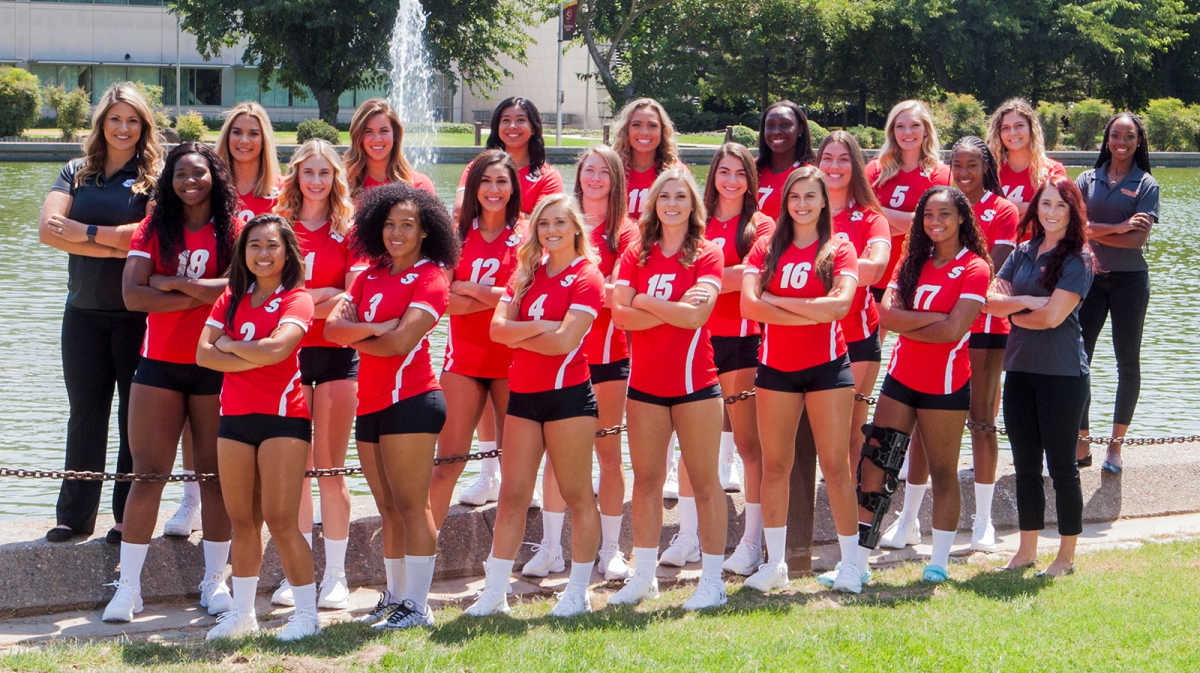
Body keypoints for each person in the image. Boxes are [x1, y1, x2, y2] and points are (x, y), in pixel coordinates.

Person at [101, 143, 238, 623]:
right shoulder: (153, 226)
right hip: (158, 365)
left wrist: (173, 283)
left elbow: (241, 289)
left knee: (214, 477)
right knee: (148, 475)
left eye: (199, 173)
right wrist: (202, 296)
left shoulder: (233, 228)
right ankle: (130, 588)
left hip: (213, 364)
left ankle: (214, 582)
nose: (190, 181)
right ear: (170, 180)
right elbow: (133, 297)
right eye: (181, 174)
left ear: (214, 177)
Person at [324, 183, 459, 629]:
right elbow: (331, 330)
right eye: (389, 224)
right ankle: (395, 598)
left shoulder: (431, 277)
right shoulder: (367, 275)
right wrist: (379, 326)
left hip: (413, 400)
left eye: (407, 225)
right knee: (387, 509)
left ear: (425, 232)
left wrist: (366, 327)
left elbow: (401, 343)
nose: (396, 233)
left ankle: (418, 607)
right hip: (372, 404)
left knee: (412, 505)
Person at [465, 194, 606, 617]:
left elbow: (566, 341)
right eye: (545, 224)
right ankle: (494, 594)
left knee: (577, 495)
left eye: (560, 222)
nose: (552, 231)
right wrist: (543, 326)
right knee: (511, 496)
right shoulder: (525, 273)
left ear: (576, 227)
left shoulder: (588, 276)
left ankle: (578, 590)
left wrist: (523, 331)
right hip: (524, 397)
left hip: (569, 397)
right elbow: (496, 331)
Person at [39, 82, 163, 543]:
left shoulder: (154, 174)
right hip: (83, 313)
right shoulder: (76, 171)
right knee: (85, 413)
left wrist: (83, 231)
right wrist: (112, 242)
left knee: (135, 419)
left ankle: (124, 518)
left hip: (137, 315)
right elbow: (47, 232)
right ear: (102, 123)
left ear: (143, 125)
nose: (124, 128)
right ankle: (73, 517)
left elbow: (147, 238)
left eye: (133, 120)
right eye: (115, 119)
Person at [855, 186, 990, 584]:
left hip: (945, 385)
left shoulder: (975, 268)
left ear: (961, 217)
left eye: (945, 214)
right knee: (876, 463)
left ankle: (939, 562)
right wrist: (932, 316)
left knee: (944, 471)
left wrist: (913, 318)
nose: (936, 222)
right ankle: (858, 563)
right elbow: (884, 316)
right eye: (928, 215)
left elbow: (953, 331)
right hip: (900, 378)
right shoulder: (911, 261)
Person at [739, 167, 864, 594]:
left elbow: (840, 309)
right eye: (795, 197)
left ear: (824, 201)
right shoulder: (765, 248)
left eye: (811, 197)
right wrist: (808, 307)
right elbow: (749, 308)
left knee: (836, 467)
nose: (803, 204)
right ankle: (775, 564)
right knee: (775, 467)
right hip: (776, 369)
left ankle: (852, 564)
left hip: (829, 368)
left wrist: (779, 302)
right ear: (786, 202)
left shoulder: (839, 248)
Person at [608, 168, 728, 610]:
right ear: (653, 204)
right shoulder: (635, 254)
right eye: (664, 196)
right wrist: (666, 309)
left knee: (705, 482)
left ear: (693, 204)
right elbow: (620, 316)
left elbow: (696, 319)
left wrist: (643, 301)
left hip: (696, 384)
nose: (672, 203)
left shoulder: (708, 253)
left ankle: (712, 581)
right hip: (644, 388)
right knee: (646, 483)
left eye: (681, 196)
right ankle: (644, 577)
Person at [197, 215, 319, 641]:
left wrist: (229, 346)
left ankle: (307, 614)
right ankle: (243, 614)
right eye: (254, 246)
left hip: (283, 419)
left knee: (282, 518)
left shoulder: (298, 298)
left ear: (287, 252)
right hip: (234, 418)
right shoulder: (230, 297)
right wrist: (247, 353)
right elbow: (202, 355)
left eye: (271, 245)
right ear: (243, 253)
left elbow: (278, 350)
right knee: (241, 521)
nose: (262, 254)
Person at [527, 146, 639, 582]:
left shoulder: (627, 234)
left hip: (609, 357)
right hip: (559, 360)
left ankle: (610, 549)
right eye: (588, 170)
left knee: (608, 455)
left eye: (603, 172)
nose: (594, 178)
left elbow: (619, 294)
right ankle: (552, 548)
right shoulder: (560, 224)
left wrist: (585, 292)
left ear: (615, 180)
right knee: (556, 460)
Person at [985, 177, 1094, 578]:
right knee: (1025, 464)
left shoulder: (1078, 259)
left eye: (1060, 206)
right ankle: (1026, 550)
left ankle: (1065, 557)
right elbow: (988, 302)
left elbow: (1054, 317)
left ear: (1073, 212)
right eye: (1045, 204)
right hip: (1019, 371)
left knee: (1062, 467)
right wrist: (1028, 302)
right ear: (1035, 208)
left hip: (1062, 375)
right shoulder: (1021, 252)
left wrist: (1012, 312)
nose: (1051, 212)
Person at [271, 139, 363, 610]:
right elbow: (268, 296)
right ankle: (297, 573)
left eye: (325, 173)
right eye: (309, 172)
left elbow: (351, 299)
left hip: (335, 356)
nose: (316, 181)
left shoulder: (349, 231)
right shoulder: (278, 227)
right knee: (297, 470)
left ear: (336, 178)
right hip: (287, 357)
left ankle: (337, 574)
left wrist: (301, 300)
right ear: (296, 175)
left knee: (329, 466)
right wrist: (317, 298)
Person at [430, 150, 526, 528]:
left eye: (502, 181)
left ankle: (501, 569)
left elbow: (527, 302)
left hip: (513, 362)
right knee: (444, 467)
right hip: (464, 364)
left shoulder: (528, 233)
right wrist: (498, 295)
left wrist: (468, 287)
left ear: (513, 188)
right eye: (485, 181)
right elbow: (441, 303)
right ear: (473, 188)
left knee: (516, 478)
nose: (493, 189)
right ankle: (421, 560)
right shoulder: (456, 236)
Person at [813, 132, 891, 589]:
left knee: (847, 448)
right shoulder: (804, 209)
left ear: (856, 166)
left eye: (844, 159)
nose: (835, 166)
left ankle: (858, 552)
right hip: (802, 343)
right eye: (828, 157)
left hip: (855, 342)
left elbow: (876, 268)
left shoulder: (869, 217)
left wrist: (818, 277)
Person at [697, 143, 772, 575]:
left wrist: (702, 279)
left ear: (750, 179)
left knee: (749, 446)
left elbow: (751, 278)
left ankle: (751, 540)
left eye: (739, 173)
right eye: (724, 172)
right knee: (697, 448)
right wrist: (721, 278)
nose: (731, 180)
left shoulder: (762, 226)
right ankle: (692, 537)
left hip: (743, 343)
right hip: (698, 342)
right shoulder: (697, 222)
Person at [1075, 112, 1159, 473]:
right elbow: (1074, 229)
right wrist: (1120, 226)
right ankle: (1081, 443)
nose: (1121, 142)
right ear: (1106, 139)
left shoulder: (1146, 184)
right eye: (1114, 135)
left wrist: (1102, 230)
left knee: (1128, 364)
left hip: (1129, 283)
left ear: (1138, 141)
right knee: (1078, 361)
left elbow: (1138, 240)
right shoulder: (1086, 179)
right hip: (1089, 281)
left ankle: (1115, 447)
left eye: (1128, 136)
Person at [953, 136, 1018, 552]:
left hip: (985, 327)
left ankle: (982, 521)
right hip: (940, 325)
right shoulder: (940, 202)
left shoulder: (1003, 209)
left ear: (987, 167)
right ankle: (908, 519)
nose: (963, 173)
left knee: (980, 419)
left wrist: (951, 291)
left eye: (972, 165)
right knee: (929, 421)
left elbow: (994, 269)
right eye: (956, 164)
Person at [866, 100, 950, 306]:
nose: (907, 132)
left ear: (926, 131)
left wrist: (877, 214)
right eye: (900, 126)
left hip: (917, 269)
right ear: (892, 131)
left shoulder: (940, 174)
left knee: (909, 336)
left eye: (914, 125)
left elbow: (929, 224)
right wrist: (909, 222)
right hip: (877, 268)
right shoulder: (876, 170)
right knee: (874, 335)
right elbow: (860, 217)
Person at [454, 97, 563, 217]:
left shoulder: (548, 178)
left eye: (521, 120)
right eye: (505, 120)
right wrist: (521, 216)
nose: (512, 126)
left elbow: (543, 223)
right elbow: (459, 212)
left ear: (533, 128)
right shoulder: (476, 168)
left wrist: (489, 210)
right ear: (497, 128)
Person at [986, 98, 1067, 217]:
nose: (1012, 132)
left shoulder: (1054, 171)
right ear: (998, 134)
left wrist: (1005, 212)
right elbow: (982, 216)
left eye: (1019, 125)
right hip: (999, 236)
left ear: (1031, 128)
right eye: (1005, 128)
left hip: (1038, 236)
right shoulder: (989, 172)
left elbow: (1055, 217)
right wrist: (1032, 208)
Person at [344, 98, 436, 198]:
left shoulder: (418, 185)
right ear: (358, 137)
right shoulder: (341, 184)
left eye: (384, 131)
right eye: (368, 131)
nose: (377, 139)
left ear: (395, 135)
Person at [611, 97, 681, 221]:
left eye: (652, 125)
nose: (644, 132)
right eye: (636, 125)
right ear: (626, 130)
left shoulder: (677, 173)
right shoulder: (610, 171)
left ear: (662, 131)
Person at [219, 101, 282, 221]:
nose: (244, 140)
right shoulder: (210, 188)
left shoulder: (284, 191)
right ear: (227, 137)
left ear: (264, 140)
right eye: (237, 132)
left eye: (253, 134)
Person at [755, 100, 815, 220]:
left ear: (800, 129)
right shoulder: (749, 169)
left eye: (785, 125)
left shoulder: (810, 175)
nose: (776, 131)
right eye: (770, 125)